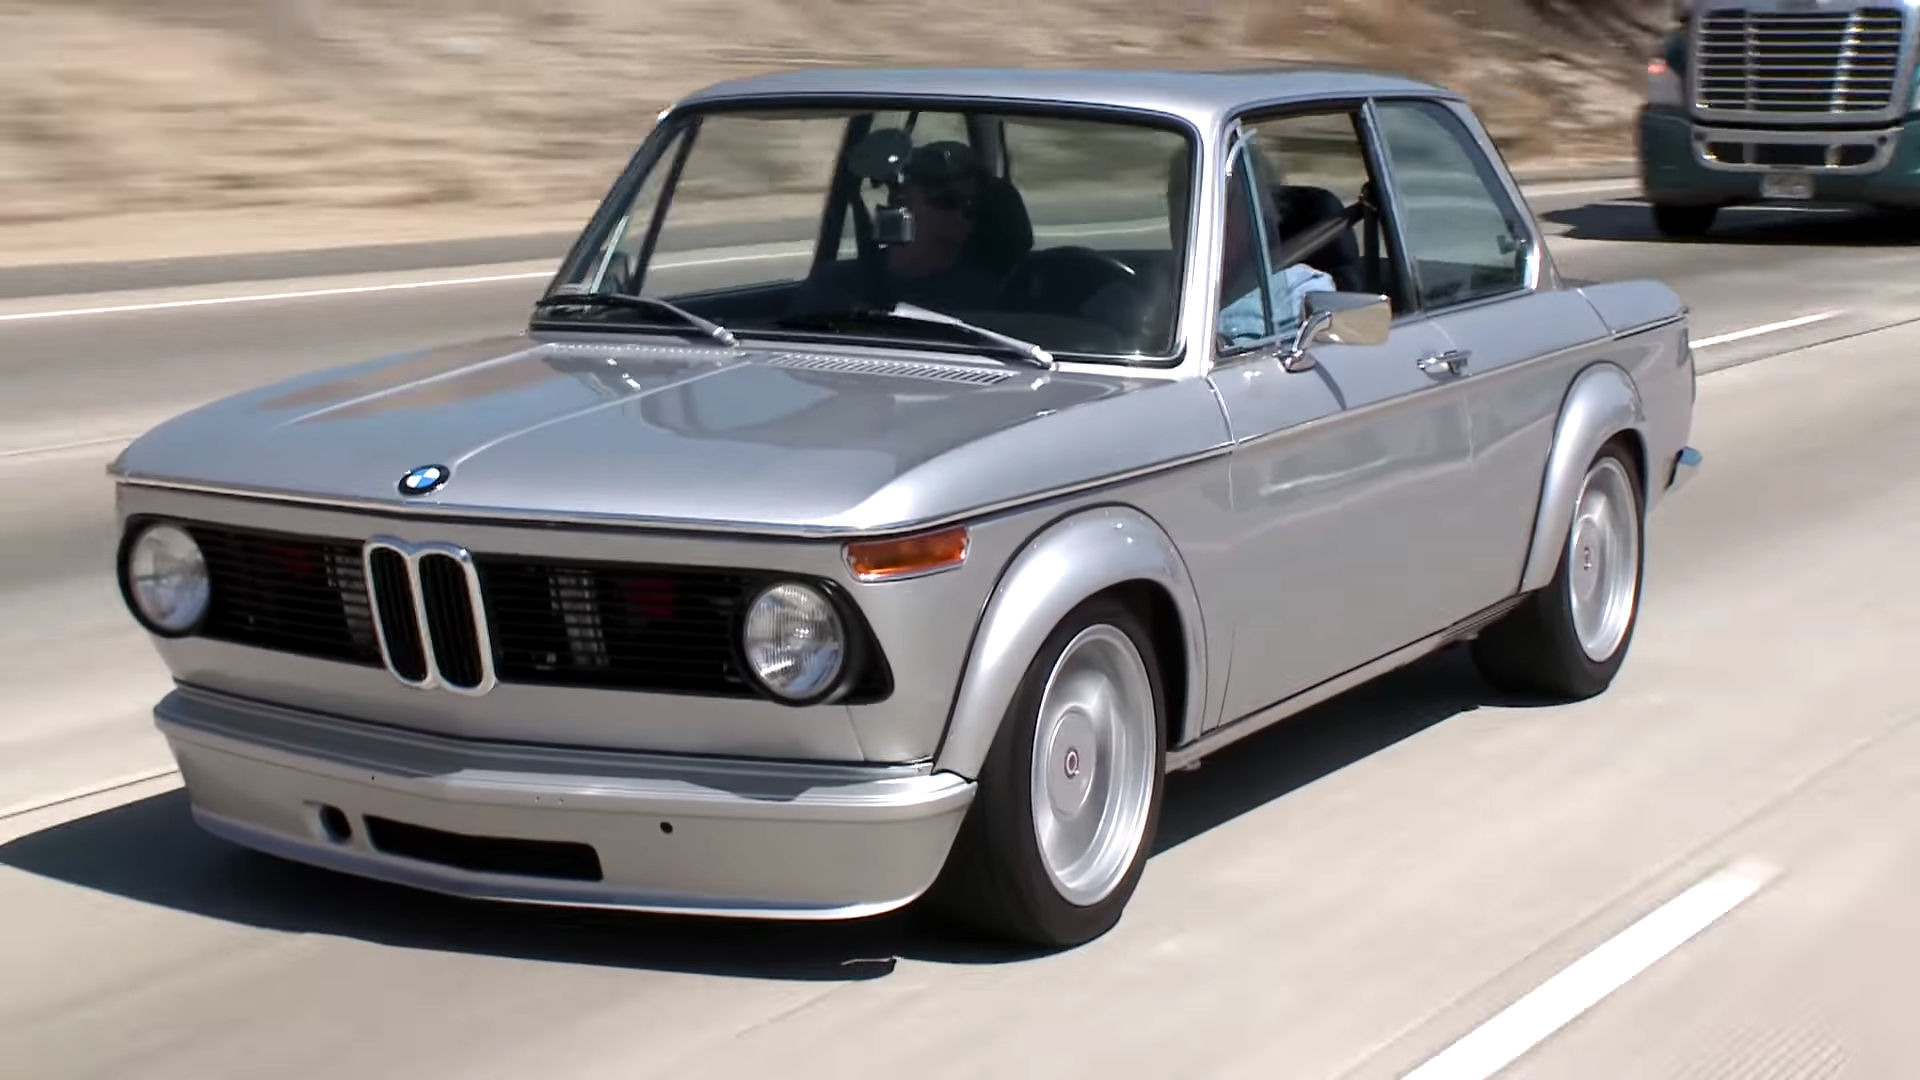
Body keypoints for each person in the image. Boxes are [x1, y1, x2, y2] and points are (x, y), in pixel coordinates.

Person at [789, 139, 1004, 314]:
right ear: (902, 203)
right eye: (946, 201)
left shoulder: (976, 298)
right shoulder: (834, 284)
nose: (961, 217)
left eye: (971, 208)